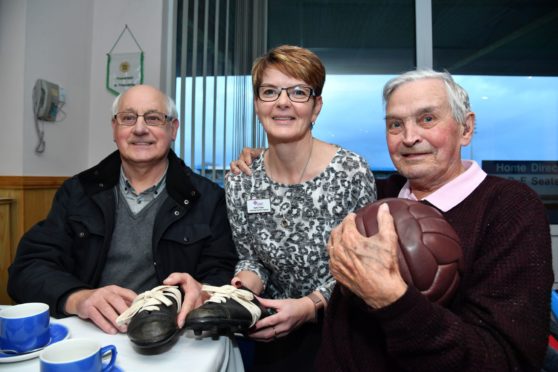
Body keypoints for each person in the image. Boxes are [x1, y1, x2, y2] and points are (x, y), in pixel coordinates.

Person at [231, 69, 553, 371]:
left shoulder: (510, 209)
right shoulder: (379, 193)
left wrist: (392, 300)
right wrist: (271, 157)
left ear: (466, 128)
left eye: (427, 119)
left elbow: (507, 359)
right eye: (395, 124)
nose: (409, 137)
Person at [8, 84, 237, 335]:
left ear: (173, 129)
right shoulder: (77, 192)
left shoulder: (208, 198)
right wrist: (78, 298)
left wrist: (200, 292)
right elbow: (28, 269)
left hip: (176, 334)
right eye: (128, 118)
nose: (140, 129)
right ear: (114, 128)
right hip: (93, 331)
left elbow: (223, 272)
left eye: (153, 118)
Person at [224, 45, 377, 371]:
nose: (282, 102)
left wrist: (311, 305)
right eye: (269, 91)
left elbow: (366, 264)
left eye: (297, 92)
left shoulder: (352, 171)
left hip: (347, 332)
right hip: (274, 334)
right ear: (257, 104)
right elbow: (252, 259)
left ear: (316, 107)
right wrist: (240, 287)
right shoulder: (242, 180)